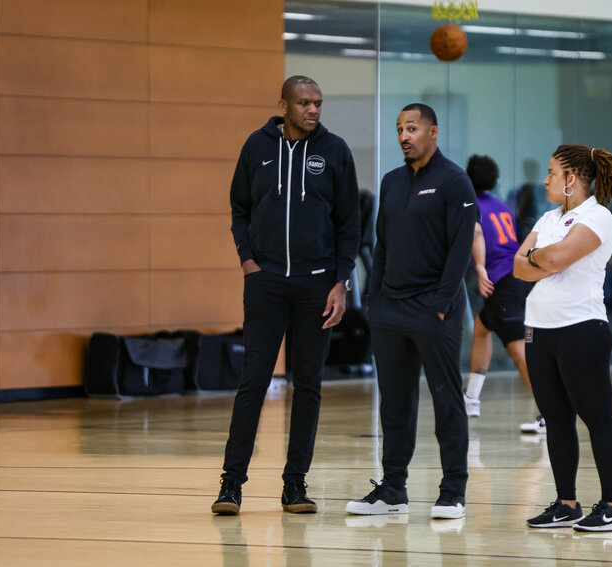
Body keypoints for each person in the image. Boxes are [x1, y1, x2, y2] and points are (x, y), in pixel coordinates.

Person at [212, 75, 360, 515]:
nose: (313, 110)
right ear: (284, 105)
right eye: (304, 103)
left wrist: (341, 281)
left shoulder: (335, 151)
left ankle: (295, 484)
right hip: (267, 283)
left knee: (308, 385)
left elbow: (349, 223)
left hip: (318, 285)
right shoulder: (256, 147)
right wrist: (248, 261)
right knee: (253, 383)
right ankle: (231, 483)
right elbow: (239, 208)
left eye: (318, 103)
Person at [345, 103, 477, 520]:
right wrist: (374, 299)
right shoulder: (391, 181)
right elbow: (381, 244)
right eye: (400, 128)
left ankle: (453, 490)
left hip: (433, 311)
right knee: (394, 404)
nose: (404, 135)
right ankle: (392, 490)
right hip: (390, 311)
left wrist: (440, 303)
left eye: (413, 128)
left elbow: (460, 249)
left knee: (446, 402)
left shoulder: (455, 181)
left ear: (433, 132)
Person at [515, 144, 612, 532]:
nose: (545, 179)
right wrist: (543, 258)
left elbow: (556, 258)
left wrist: (543, 257)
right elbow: (519, 267)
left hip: (582, 330)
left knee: (597, 417)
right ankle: (567, 504)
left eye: (552, 173)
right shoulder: (549, 217)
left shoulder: (598, 217)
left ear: (572, 179)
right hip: (540, 330)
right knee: (556, 419)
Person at [463, 154, 546, 435]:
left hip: (501, 282)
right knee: (481, 328)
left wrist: (479, 269)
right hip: (517, 277)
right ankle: (471, 399)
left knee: (518, 349)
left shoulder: (470, 205)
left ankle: (549, 413)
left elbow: (475, 236)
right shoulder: (500, 206)